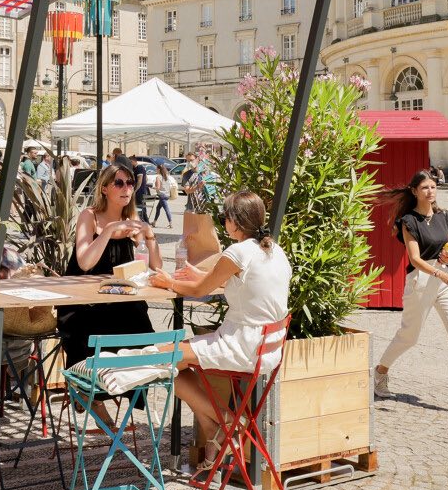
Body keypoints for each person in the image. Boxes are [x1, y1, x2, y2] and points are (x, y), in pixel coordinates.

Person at [150, 189, 292, 473]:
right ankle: (213, 426)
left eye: (224, 217)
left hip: (240, 345)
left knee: (160, 358)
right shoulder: (274, 250)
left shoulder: (238, 252)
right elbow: (241, 285)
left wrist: (168, 281)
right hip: (267, 349)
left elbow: (201, 291)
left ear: (234, 222)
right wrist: (197, 276)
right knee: (172, 359)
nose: (223, 222)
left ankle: (226, 419)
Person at [372, 170, 448, 421]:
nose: (430, 191)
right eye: (425, 187)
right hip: (422, 281)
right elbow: (414, 258)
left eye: (433, 186)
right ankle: (381, 371)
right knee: (409, 336)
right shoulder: (408, 221)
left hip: (446, 278)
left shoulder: (444, 216)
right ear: (415, 191)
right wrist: (440, 274)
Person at [60, 164, 162, 371]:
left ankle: (128, 385)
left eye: (130, 183)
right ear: (104, 189)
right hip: (85, 303)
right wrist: (108, 231)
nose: (126, 188)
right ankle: (93, 396)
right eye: (119, 183)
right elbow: (84, 262)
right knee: (92, 331)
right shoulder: (90, 216)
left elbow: (156, 268)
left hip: (119, 299)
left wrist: (149, 236)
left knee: (140, 324)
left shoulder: (132, 218)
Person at [151, 163, 175, 228]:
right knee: (158, 208)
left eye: (156, 169)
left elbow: (158, 187)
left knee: (166, 209)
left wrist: (153, 187)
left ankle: (171, 223)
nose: (156, 170)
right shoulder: (166, 176)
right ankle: (154, 222)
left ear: (159, 169)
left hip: (162, 195)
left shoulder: (158, 177)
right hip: (167, 194)